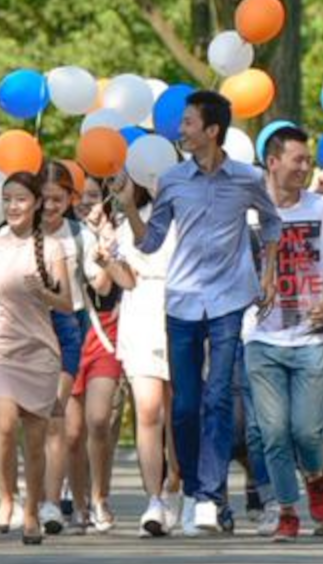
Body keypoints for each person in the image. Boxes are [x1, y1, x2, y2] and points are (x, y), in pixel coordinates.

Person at [120, 90, 283, 535]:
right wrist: (130, 208)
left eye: (189, 122)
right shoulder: (172, 179)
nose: (181, 130)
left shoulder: (247, 179)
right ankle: (192, 490)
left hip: (231, 299)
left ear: (212, 130)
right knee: (187, 406)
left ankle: (208, 499)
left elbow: (271, 223)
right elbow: (151, 242)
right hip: (183, 301)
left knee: (217, 399)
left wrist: (267, 272)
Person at [241, 126, 323, 542]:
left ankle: (317, 480)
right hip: (261, 340)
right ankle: (287, 510)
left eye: (307, 160)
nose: (306, 167)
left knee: (306, 429)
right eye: (298, 160)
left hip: (309, 340)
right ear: (272, 161)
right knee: (273, 432)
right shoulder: (247, 210)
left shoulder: (319, 207)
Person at [0, 170, 75, 545]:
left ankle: (31, 513)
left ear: (37, 203)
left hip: (39, 351)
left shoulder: (52, 247)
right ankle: (6, 499)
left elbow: (68, 304)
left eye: (21, 199)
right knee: (4, 425)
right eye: (7, 199)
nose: (12, 206)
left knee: (35, 440)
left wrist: (44, 291)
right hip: (0, 348)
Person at [113, 177, 183, 537]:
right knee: (147, 408)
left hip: (181, 311)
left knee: (179, 409)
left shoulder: (186, 214)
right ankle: (153, 499)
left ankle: (176, 484)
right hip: (141, 313)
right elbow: (125, 279)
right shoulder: (130, 218)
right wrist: (108, 257)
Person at [68, 177, 134, 533]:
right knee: (72, 430)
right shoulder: (62, 233)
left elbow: (116, 284)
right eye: (79, 196)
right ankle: (77, 503)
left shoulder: (122, 233)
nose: (86, 203)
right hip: (70, 331)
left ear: (107, 200)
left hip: (107, 330)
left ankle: (99, 498)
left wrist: (107, 252)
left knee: (98, 420)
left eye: (93, 197)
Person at [38, 160, 98, 535]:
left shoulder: (81, 236)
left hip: (71, 324)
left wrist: (107, 260)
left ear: (70, 199)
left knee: (66, 425)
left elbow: (100, 283)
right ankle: (43, 498)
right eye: (42, 199)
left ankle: (65, 503)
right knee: (32, 422)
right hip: (27, 328)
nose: (49, 206)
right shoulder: (18, 233)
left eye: (57, 199)